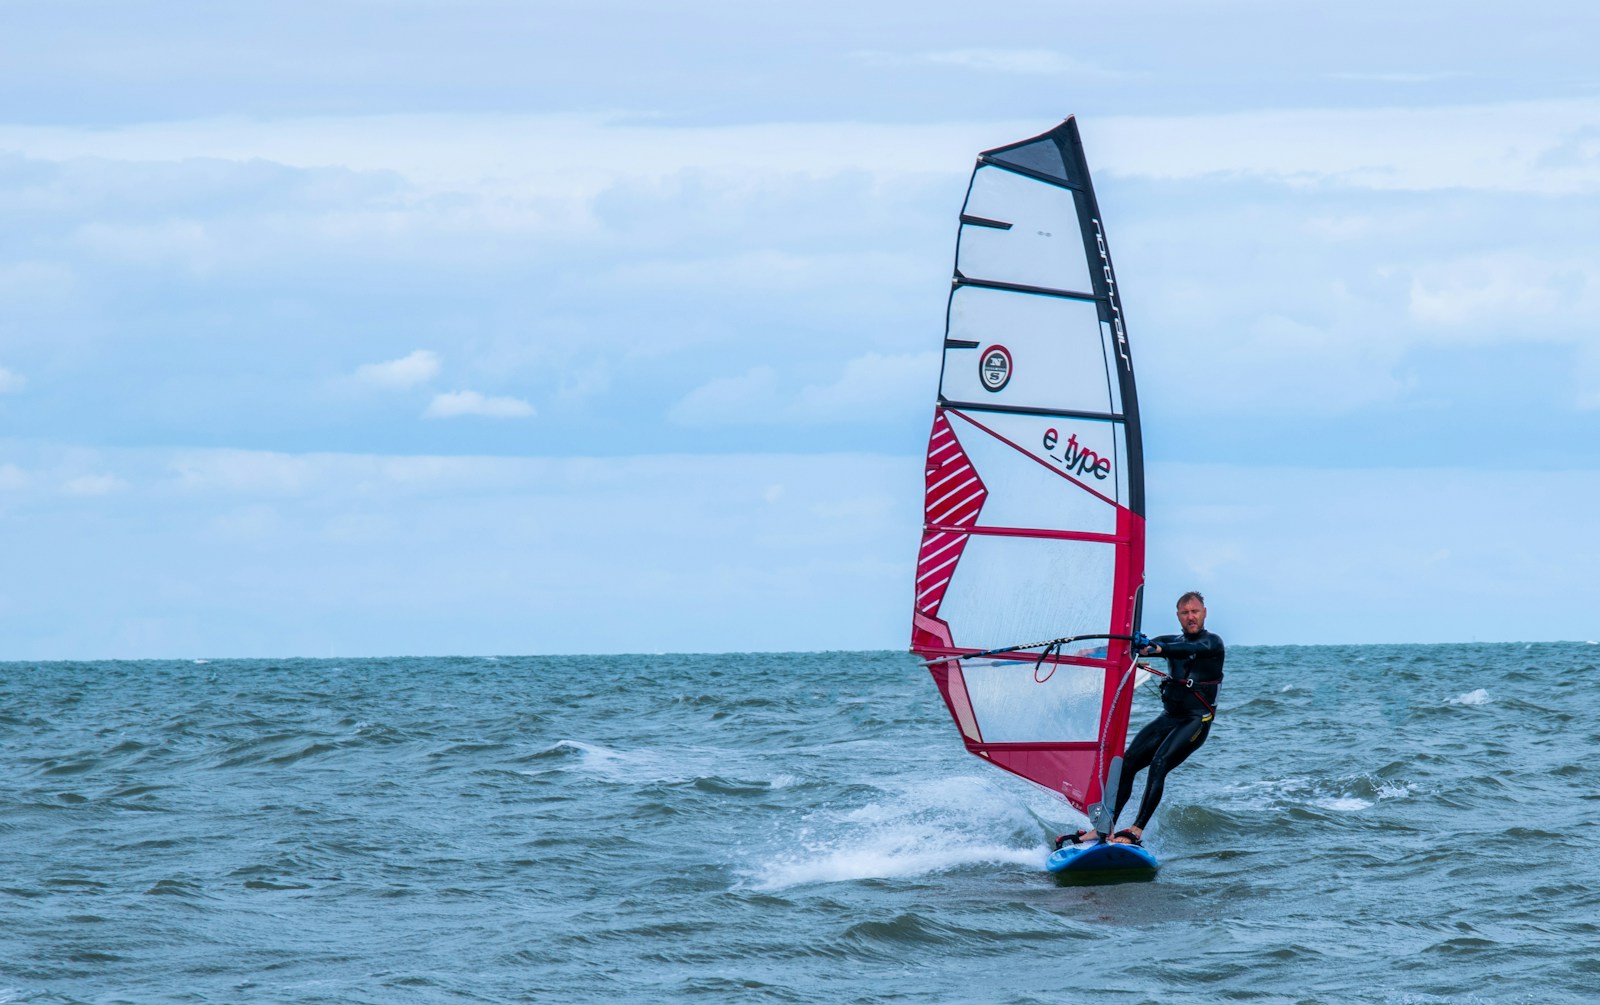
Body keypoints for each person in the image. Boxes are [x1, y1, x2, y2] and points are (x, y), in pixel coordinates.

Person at [1056, 591, 1224, 848]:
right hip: (1169, 717)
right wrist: (1095, 651)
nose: (1191, 617)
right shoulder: (1172, 639)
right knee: (1127, 764)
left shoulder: (1212, 643)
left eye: (1195, 611)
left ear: (1204, 613)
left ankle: (1136, 830)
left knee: (1159, 764)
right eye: (1185, 612)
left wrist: (1158, 648)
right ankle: (1102, 828)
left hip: (1195, 721)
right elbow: (1130, 649)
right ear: (1178, 616)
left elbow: (1187, 649)